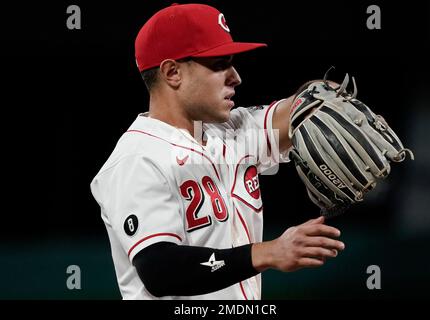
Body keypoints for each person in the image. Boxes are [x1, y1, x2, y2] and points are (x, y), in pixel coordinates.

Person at [90, 3, 345, 300]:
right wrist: (269, 252)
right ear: (172, 72)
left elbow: (304, 106)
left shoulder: (230, 133)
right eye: (219, 63)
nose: (235, 76)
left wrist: (326, 93)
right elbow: (160, 270)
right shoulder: (137, 158)